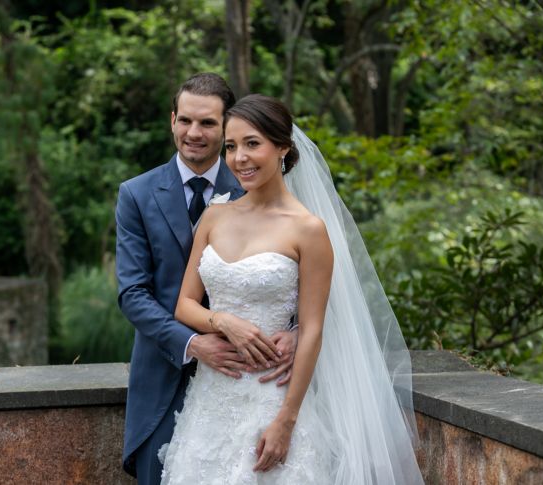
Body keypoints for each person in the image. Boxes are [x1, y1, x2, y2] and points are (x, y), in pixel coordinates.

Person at [159, 94, 425, 484]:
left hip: (272, 399)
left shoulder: (308, 229)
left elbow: (313, 328)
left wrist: (286, 420)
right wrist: (224, 322)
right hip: (210, 402)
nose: (240, 158)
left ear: (282, 146)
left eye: (253, 144)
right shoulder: (215, 216)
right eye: (231, 147)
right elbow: (184, 305)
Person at [115, 74, 299, 485]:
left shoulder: (260, 179)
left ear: (225, 125)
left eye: (208, 124)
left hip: (255, 378)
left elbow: (303, 282)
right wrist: (194, 343)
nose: (193, 133)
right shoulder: (136, 194)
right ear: (173, 120)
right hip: (165, 370)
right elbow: (132, 293)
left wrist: (298, 329)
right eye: (185, 121)